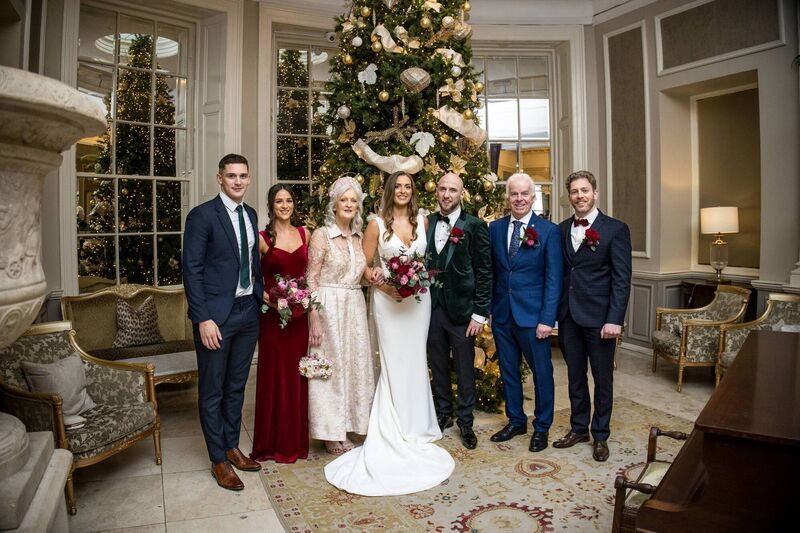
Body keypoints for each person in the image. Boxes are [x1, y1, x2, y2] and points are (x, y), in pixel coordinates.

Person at [325, 171, 455, 496]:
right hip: (388, 303)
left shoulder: (422, 222)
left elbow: (423, 262)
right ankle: (393, 427)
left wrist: (413, 282)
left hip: (418, 304)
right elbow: (364, 267)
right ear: (389, 190)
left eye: (407, 186)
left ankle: (418, 425)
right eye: (397, 186)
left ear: (413, 192)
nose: (402, 191)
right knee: (394, 364)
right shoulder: (376, 224)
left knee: (414, 362)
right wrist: (388, 286)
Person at [183, 153, 263, 491]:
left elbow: (251, 262)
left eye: (243, 175)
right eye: (231, 176)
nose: (238, 181)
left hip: (248, 312)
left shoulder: (251, 214)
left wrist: (260, 297)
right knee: (213, 389)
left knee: (236, 385)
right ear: (220, 179)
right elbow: (192, 270)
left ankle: (232, 446)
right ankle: (218, 459)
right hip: (216, 318)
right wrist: (203, 319)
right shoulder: (202, 216)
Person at [553, 170, 632, 462]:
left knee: (602, 379)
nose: (579, 196)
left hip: (601, 320)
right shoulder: (561, 230)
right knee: (575, 377)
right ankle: (578, 428)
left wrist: (615, 319)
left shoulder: (615, 229)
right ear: (569, 196)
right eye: (574, 191)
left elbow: (622, 279)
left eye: (584, 190)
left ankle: (600, 435)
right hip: (569, 317)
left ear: (595, 193)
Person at [488, 173, 562, 453]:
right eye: (514, 194)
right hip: (503, 315)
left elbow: (553, 279)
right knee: (509, 372)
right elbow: (493, 272)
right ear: (507, 197)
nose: (519, 199)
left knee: (542, 373)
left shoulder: (548, 231)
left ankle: (541, 427)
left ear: (533, 197)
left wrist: (547, 319)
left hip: (534, 318)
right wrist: (490, 310)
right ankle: (516, 420)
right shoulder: (494, 228)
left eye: (524, 194)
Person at [306, 176, 376, 456]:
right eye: (343, 200)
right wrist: (314, 316)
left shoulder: (359, 238)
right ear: (334, 205)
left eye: (353, 200)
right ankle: (329, 432)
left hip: (354, 306)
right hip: (328, 306)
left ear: (358, 206)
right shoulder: (321, 235)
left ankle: (350, 424)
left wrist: (376, 275)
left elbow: (362, 275)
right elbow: (310, 278)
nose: (348, 204)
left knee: (354, 366)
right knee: (328, 370)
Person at [425, 172, 492, 450]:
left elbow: (485, 271)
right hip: (431, 309)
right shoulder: (426, 222)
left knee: (465, 369)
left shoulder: (474, 225)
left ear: (461, 194)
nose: (446, 195)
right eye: (442, 189)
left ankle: (466, 421)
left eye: (452, 190)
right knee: (438, 364)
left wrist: (479, 312)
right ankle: (443, 413)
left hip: (463, 311)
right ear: (436, 191)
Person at [250, 184, 310, 463]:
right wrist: (273, 301)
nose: (284, 205)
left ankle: (294, 442)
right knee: (274, 375)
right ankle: (270, 443)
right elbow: (254, 280)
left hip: (299, 318)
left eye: (288, 200)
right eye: (278, 201)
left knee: (296, 376)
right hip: (273, 317)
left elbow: (308, 275)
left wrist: (304, 299)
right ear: (271, 205)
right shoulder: (262, 238)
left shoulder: (304, 234)